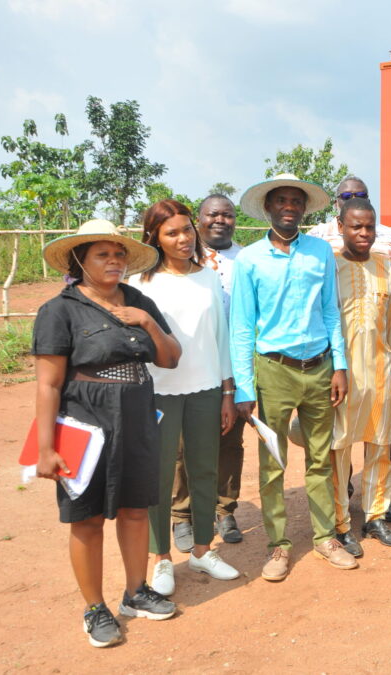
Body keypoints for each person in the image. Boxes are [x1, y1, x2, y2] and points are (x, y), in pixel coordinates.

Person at [33, 219, 181, 647]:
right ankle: (94, 608)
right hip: (83, 418)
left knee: (136, 509)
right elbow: (47, 383)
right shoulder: (59, 311)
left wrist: (147, 323)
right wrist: (46, 447)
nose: (114, 261)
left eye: (119, 254)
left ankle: (136, 591)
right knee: (88, 517)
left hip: (136, 413)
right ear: (80, 260)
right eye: (103, 254)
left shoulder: (138, 300)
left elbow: (170, 359)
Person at [232, 173, 357, 580]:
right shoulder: (250, 260)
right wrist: (245, 387)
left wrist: (339, 365)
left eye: (296, 201)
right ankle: (279, 546)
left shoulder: (320, 252)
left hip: (319, 368)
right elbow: (242, 328)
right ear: (268, 207)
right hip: (273, 371)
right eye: (281, 200)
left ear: (304, 209)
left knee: (321, 458)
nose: (289, 206)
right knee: (273, 462)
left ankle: (325, 538)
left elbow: (330, 311)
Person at [129, 200, 241, 597]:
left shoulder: (209, 277)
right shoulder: (141, 284)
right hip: (158, 392)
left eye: (186, 230)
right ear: (155, 238)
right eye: (171, 232)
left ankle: (202, 550)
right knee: (159, 477)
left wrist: (228, 392)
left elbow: (221, 339)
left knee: (204, 470)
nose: (182, 238)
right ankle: (161, 559)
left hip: (207, 389)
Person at [330, 197, 391, 550]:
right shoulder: (330, 268)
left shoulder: (389, 269)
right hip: (343, 377)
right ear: (340, 226)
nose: (364, 233)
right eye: (356, 226)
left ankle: (375, 517)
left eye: (369, 227)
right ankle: (341, 524)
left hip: (379, 373)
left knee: (380, 447)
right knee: (339, 449)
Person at [171, 194, 246, 551]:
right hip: (190, 363)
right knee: (183, 444)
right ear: (198, 220)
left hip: (235, 364)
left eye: (227, 215)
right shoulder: (184, 256)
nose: (220, 220)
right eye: (212, 214)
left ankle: (224, 509)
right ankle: (182, 515)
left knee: (230, 441)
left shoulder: (246, 259)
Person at [309, 175, 391, 259]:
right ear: (336, 204)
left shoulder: (389, 235)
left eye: (360, 195)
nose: (354, 200)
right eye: (346, 196)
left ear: (368, 201)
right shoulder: (318, 235)